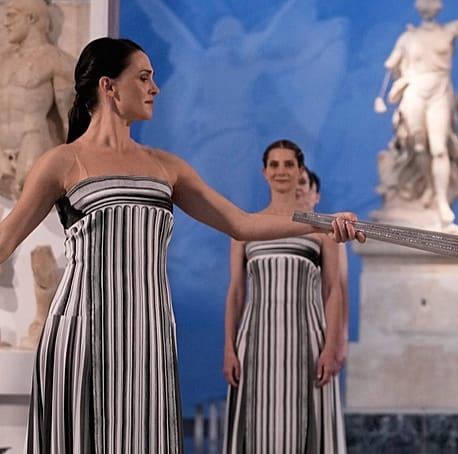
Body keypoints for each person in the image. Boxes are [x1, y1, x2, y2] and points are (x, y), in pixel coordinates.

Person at [0, 38, 360, 453]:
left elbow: (240, 223)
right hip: (83, 330)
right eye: (144, 77)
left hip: (150, 331)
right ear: (108, 87)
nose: (155, 88)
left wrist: (322, 224)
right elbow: (6, 240)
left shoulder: (165, 167)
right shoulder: (62, 162)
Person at [222, 141, 347, 453]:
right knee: (256, 427)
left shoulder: (321, 228)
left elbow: (333, 290)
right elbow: (236, 291)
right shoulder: (244, 227)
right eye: (274, 164)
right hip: (255, 345)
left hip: (306, 343)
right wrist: (229, 347)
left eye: (289, 164)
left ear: (300, 171)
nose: (281, 171)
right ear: (264, 172)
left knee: (306, 426)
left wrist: (331, 346)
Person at [373, 0, 458, 233]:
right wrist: (389, 77)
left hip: (439, 91)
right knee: (418, 147)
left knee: (438, 147)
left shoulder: (449, 31)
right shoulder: (408, 38)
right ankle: (431, 189)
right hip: (415, 90)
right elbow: (391, 66)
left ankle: (441, 200)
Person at [0, 0, 74, 199]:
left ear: (31, 18)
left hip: (33, 147)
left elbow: (70, 121)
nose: (6, 23)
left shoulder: (56, 61)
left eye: (11, 15)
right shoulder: (3, 61)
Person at [297, 167, 349, 370]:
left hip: (317, 327)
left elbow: (340, 287)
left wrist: (340, 338)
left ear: (316, 195)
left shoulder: (330, 235)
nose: (297, 189)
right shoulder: (270, 231)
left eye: (303, 183)